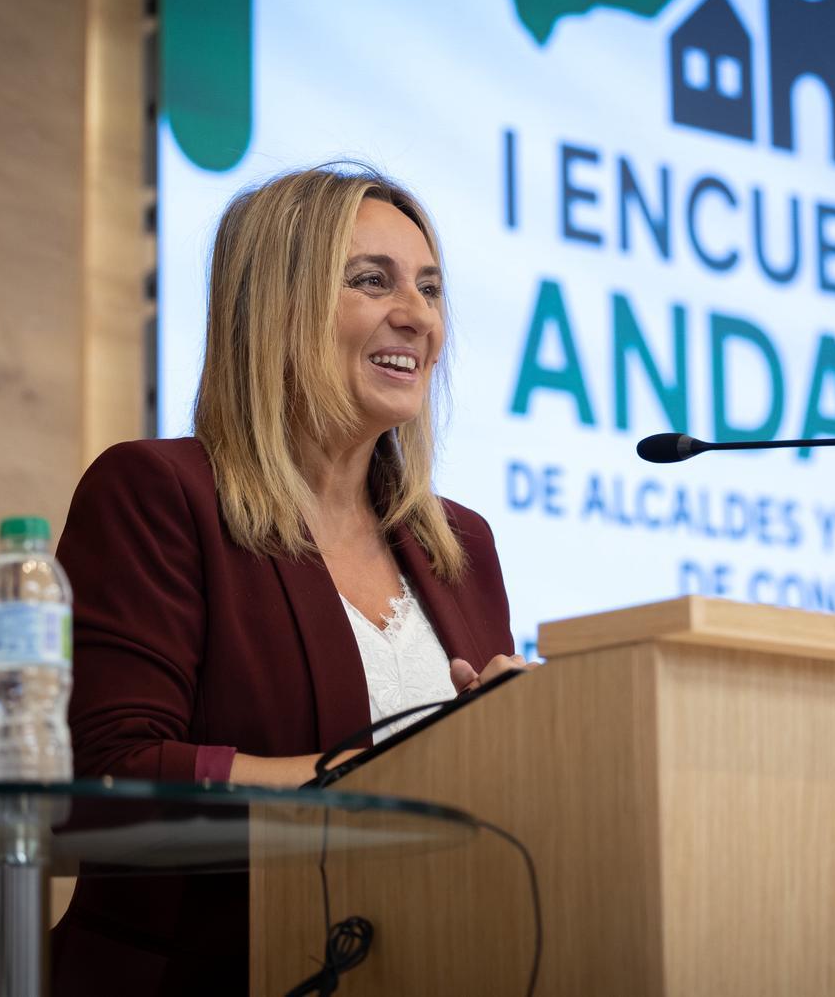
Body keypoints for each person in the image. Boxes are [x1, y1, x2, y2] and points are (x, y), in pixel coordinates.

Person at [49, 166, 525, 994]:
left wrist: (517, 742)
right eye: (371, 281)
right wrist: (382, 777)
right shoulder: (158, 493)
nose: (418, 317)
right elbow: (110, 773)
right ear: (278, 306)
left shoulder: (461, 546)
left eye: (429, 289)